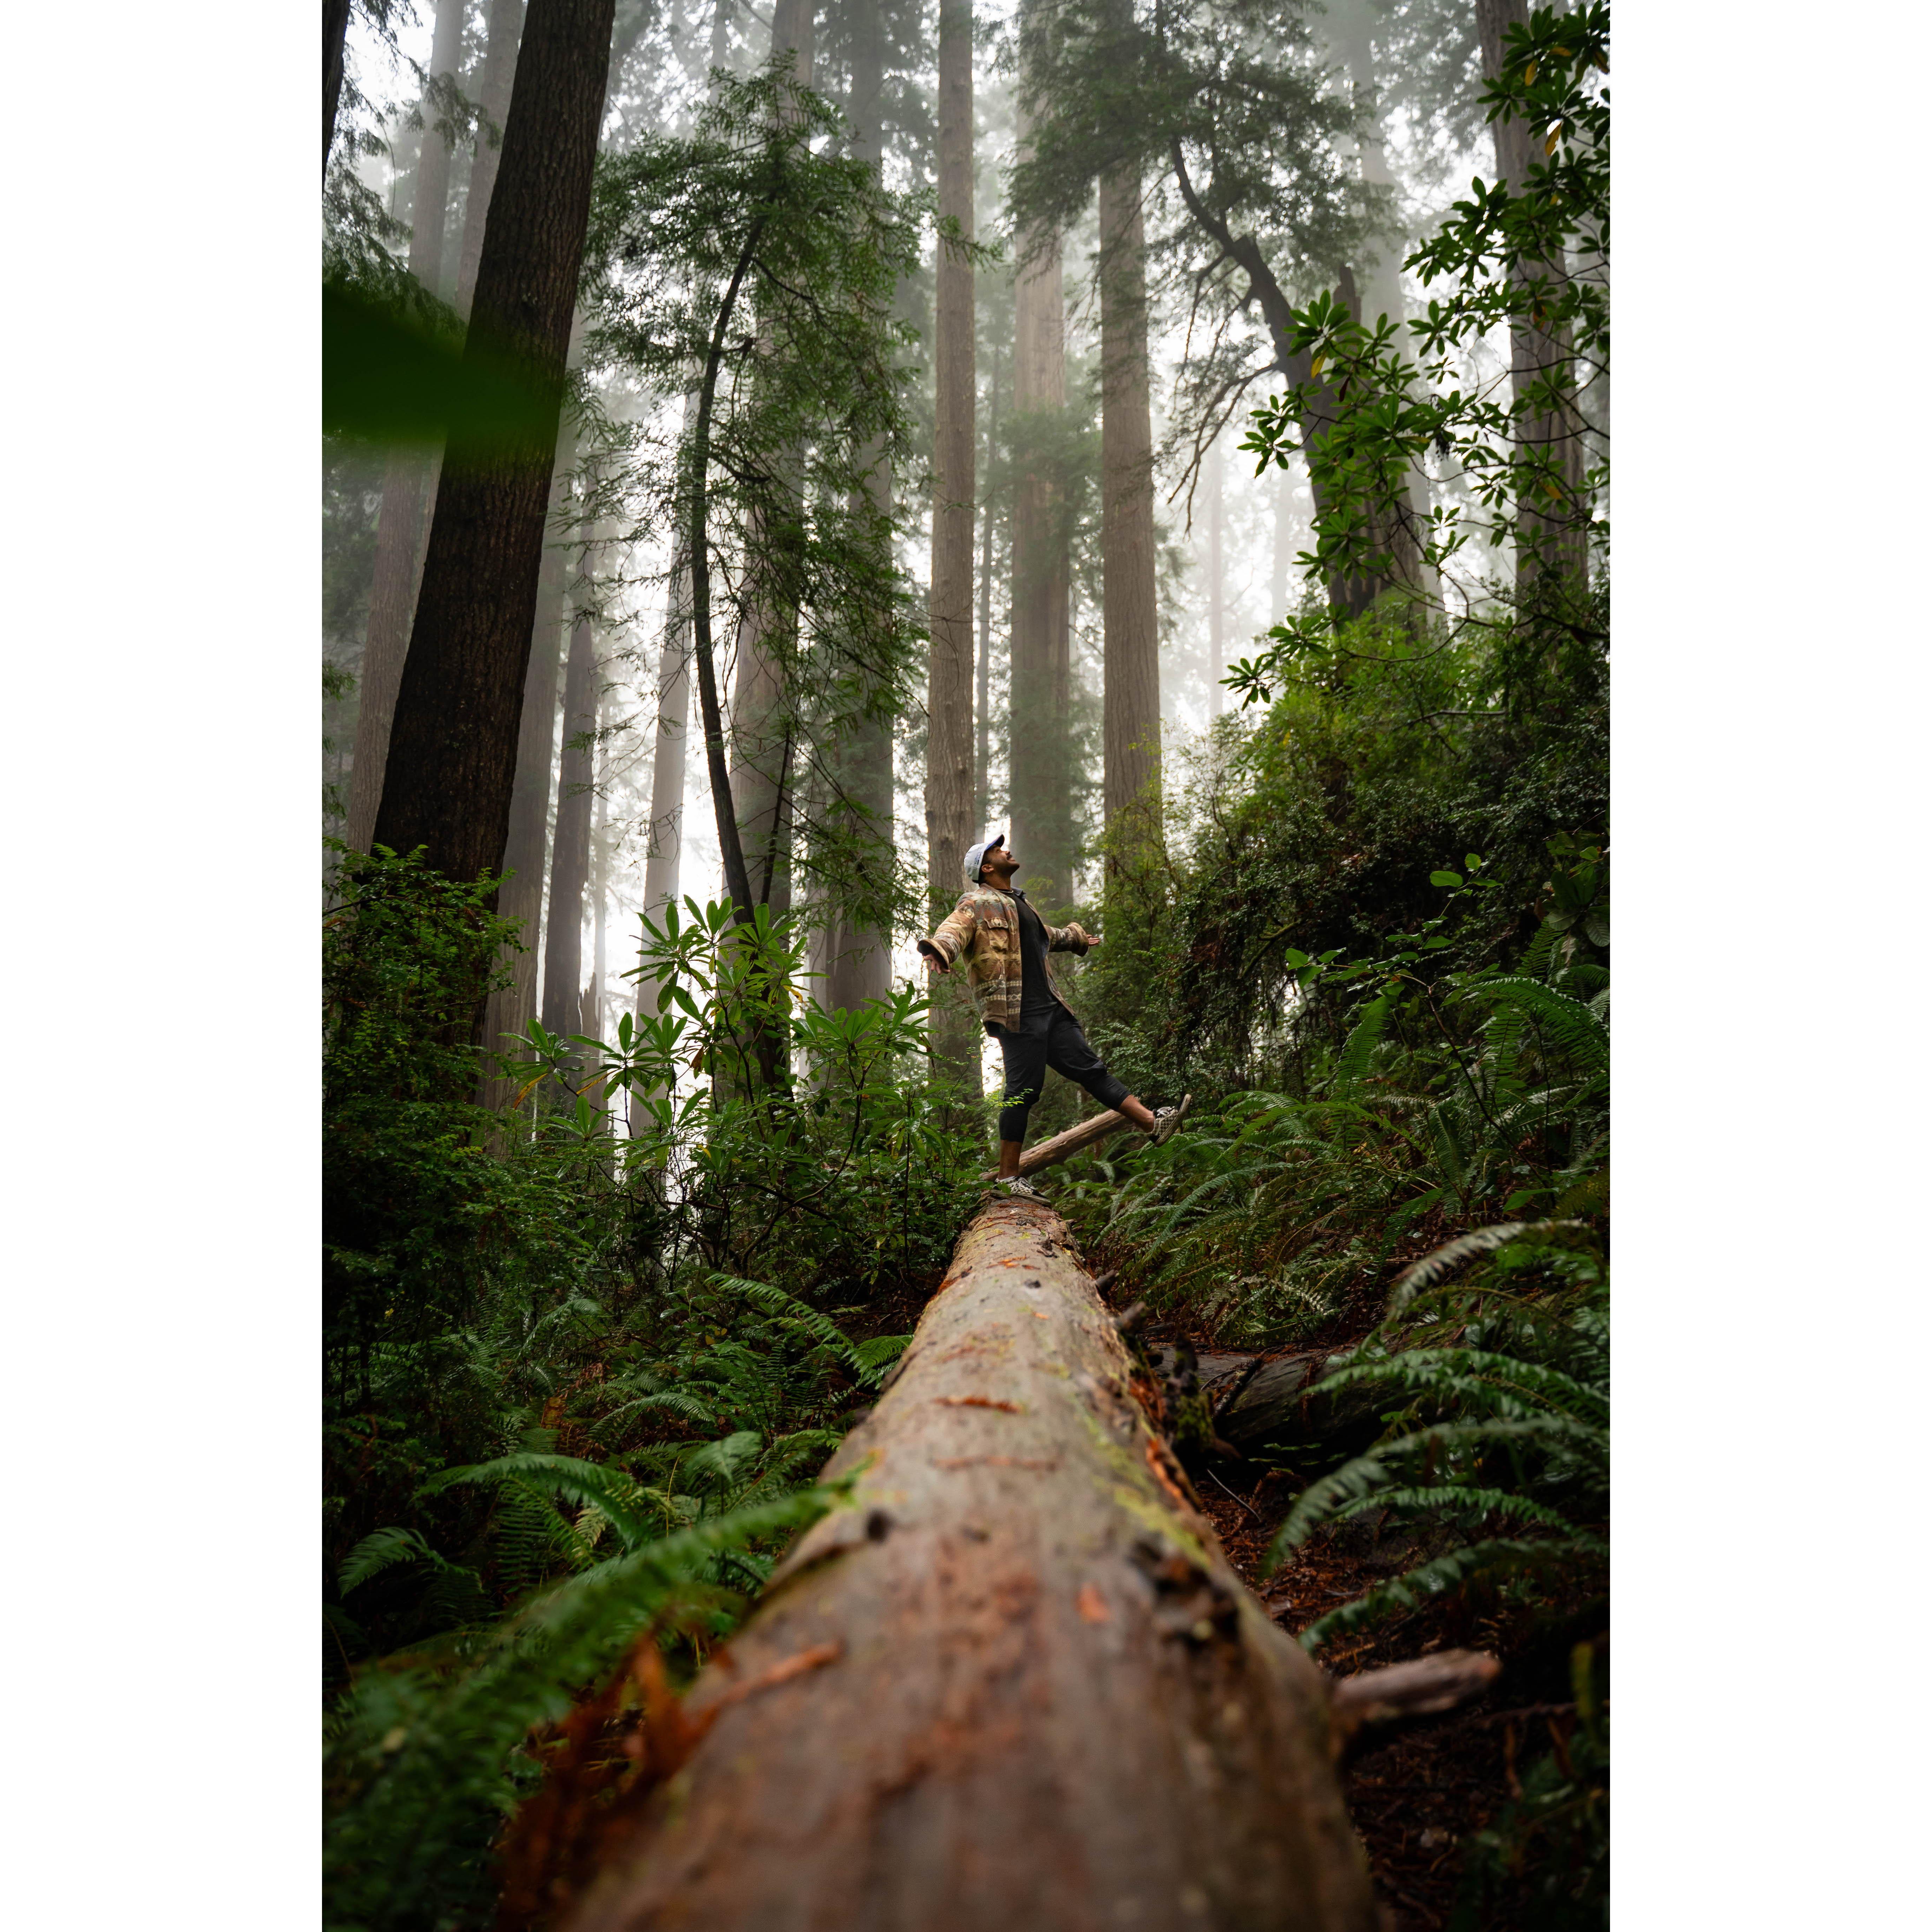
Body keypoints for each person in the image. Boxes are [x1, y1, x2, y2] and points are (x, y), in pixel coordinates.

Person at [918, 832, 1180, 1201]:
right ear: (987, 867)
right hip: (1016, 1011)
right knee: (1022, 1092)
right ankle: (1009, 1178)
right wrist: (936, 951)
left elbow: (1046, 937)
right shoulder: (976, 901)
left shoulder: (1018, 903)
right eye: (998, 850)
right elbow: (953, 930)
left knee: (1092, 1070)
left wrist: (1075, 939)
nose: (1008, 850)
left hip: (1052, 1009)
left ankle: (1152, 1123)